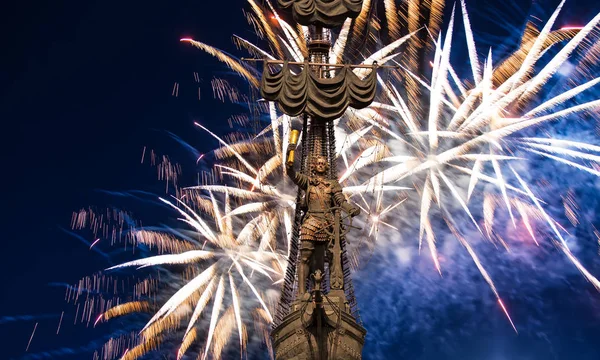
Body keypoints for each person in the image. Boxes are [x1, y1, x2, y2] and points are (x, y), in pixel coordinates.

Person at [286, 154, 360, 299]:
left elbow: (340, 200)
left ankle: (336, 291)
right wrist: (289, 166)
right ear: (313, 166)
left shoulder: (333, 184)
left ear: (326, 166)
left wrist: (350, 209)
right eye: (317, 163)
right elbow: (293, 175)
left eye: (323, 163)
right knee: (305, 256)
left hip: (329, 222)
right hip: (311, 221)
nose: (320, 164)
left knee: (334, 255)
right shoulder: (308, 182)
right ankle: (301, 293)